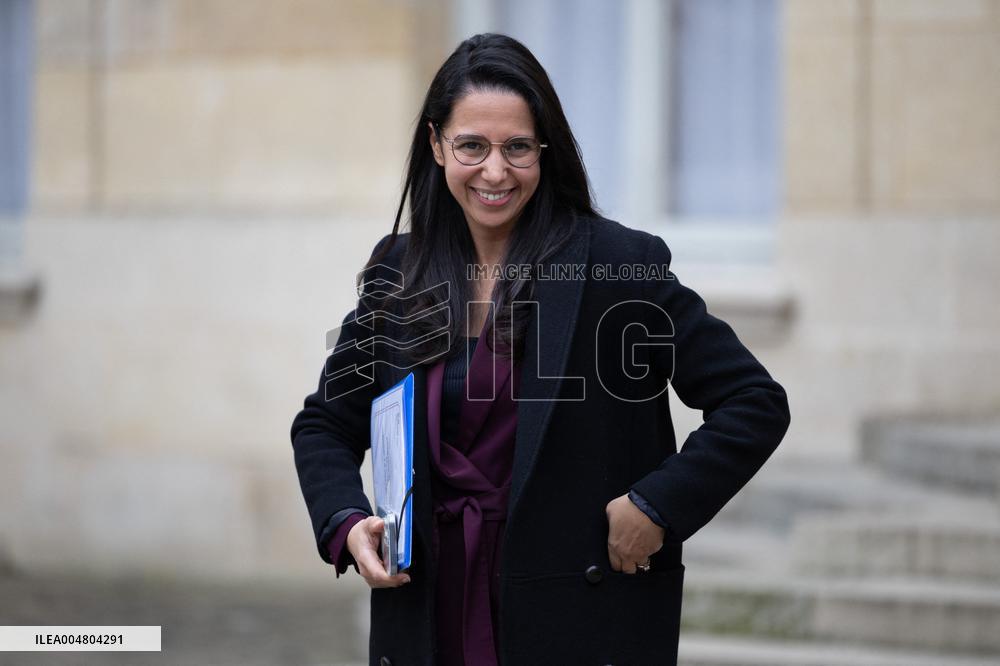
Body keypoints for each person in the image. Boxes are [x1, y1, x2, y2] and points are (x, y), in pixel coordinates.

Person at [290, 33, 790, 666]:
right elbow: (325, 424)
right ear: (437, 145)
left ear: (544, 152)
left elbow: (753, 402)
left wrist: (656, 506)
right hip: (424, 612)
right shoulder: (400, 272)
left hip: (578, 619)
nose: (495, 172)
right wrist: (344, 519)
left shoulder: (618, 267)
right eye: (472, 145)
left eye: (517, 147)